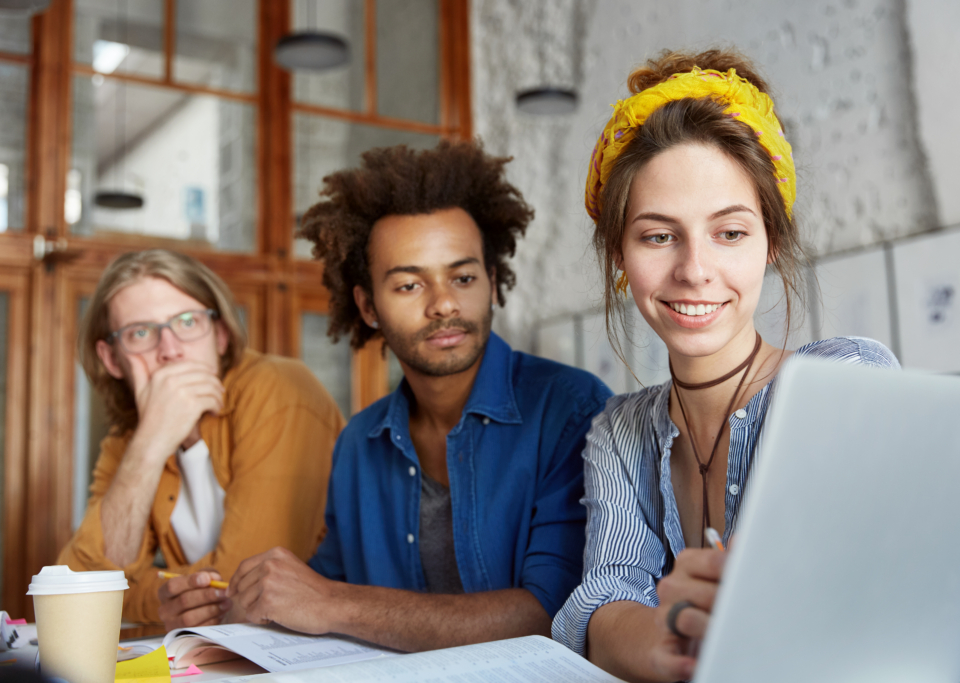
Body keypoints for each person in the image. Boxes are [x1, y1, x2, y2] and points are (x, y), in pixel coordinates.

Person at [550, 49, 960, 682]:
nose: (694, 270)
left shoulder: (848, 383)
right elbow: (603, 608)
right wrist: (676, 638)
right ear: (619, 254)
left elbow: (863, 635)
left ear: (770, 242)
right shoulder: (620, 433)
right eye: (658, 235)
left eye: (731, 233)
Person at [222, 140, 613, 652]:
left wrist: (330, 604)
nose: (444, 304)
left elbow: (552, 615)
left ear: (492, 283)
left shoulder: (571, 409)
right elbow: (321, 590)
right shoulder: (360, 442)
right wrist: (245, 604)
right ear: (367, 306)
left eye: (464, 277)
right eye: (409, 285)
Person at [59, 249, 344, 628]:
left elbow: (251, 593)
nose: (170, 350)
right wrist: (152, 440)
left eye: (188, 322)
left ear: (221, 335)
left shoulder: (279, 390)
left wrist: (143, 594)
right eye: (140, 333)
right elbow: (72, 592)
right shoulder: (130, 439)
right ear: (112, 359)